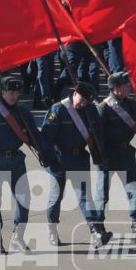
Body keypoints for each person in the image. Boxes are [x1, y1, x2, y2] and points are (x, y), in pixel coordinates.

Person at [0, 73, 40, 253]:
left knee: (24, 200)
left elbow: (35, 137)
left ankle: (18, 238)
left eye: (16, 92)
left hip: (17, 161)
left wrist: (48, 153)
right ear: (1, 91)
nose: (14, 95)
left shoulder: (23, 113)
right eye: (10, 91)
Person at [42, 80, 108, 247]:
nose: (83, 104)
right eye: (82, 100)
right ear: (75, 93)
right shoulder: (58, 109)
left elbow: (98, 132)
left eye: (87, 101)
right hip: (59, 160)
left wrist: (99, 153)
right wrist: (49, 159)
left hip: (79, 159)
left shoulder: (91, 109)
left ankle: (95, 232)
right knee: (56, 197)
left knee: (85, 197)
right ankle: (52, 230)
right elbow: (47, 137)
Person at [97, 70, 136, 244]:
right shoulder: (103, 108)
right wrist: (100, 157)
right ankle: (98, 228)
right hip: (107, 155)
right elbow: (96, 136)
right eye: (125, 85)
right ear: (115, 88)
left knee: (134, 190)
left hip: (126, 154)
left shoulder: (132, 106)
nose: (129, 87)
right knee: (102, 194)